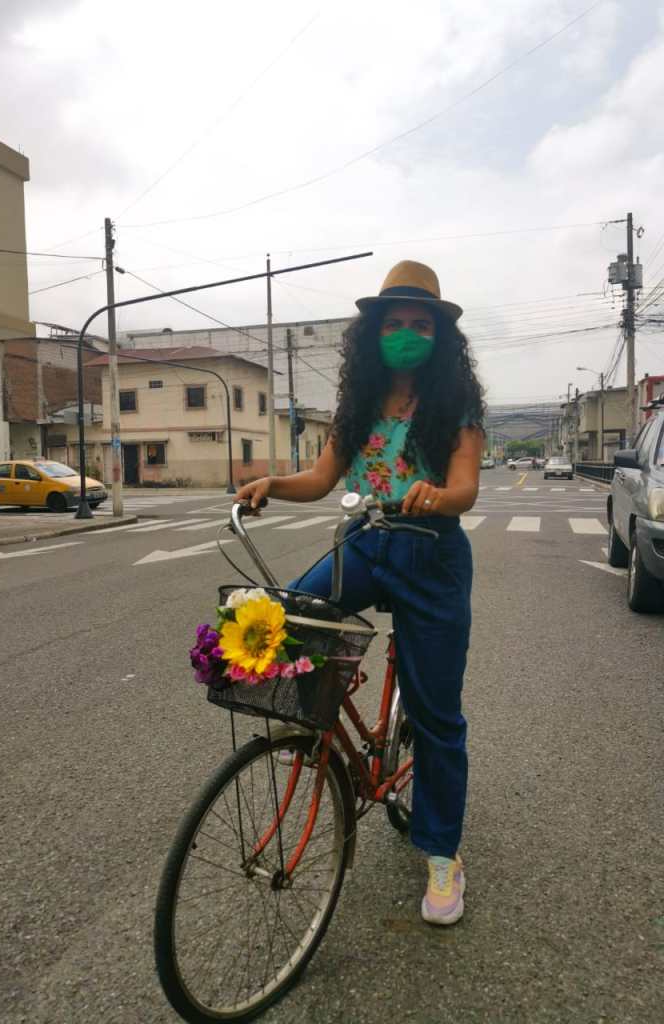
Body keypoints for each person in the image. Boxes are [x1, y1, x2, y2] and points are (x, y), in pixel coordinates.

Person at [235, 260, 485, 926]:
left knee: (437, 718)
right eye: (394, 323)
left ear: (439, 336)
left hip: (433, 556)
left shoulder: (455, 407)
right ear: (374, 333)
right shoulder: (357, 408)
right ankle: (319, 730)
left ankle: (442, 855)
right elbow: (321, 479)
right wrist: (272, 484)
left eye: (419, 325)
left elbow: (466, 487)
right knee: (291, 617)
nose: (406, 334)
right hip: (369, 543)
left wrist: (437, 496)